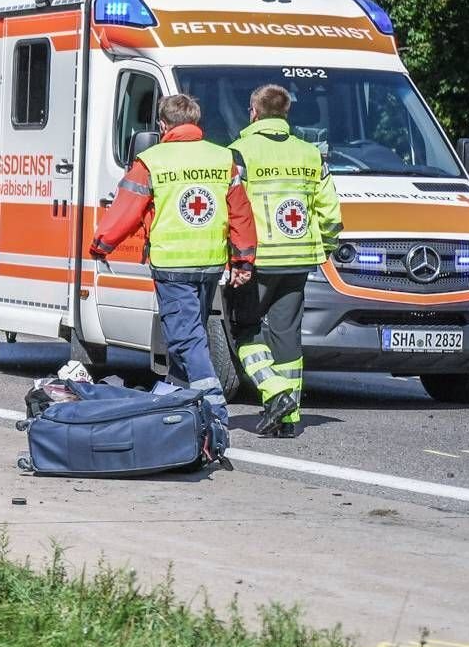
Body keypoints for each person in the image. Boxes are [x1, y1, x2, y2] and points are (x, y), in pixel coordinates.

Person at [89, 93, 256, 427]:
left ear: (162, 125)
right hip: (210, 265)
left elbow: (126, 209)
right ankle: (175, 406)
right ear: (196, 122)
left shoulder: (152, 160)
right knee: (187, 334)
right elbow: (241, 213)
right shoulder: (223, 158)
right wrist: (243, 260)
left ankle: (215, 408)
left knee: (185, 337)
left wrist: (102, 244)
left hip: (172, 265)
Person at [229, 84, 342, 438]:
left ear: (253, 111)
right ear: (286, 113)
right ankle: (289, 420)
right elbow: (330, 212)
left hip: (258, 260)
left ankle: (275, 391)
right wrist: (325, 246)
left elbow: (231, 208)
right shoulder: (311, 154)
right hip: (299, 260)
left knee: (243, 331)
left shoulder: (239, 153)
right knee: (287, 336)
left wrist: (232, 255)